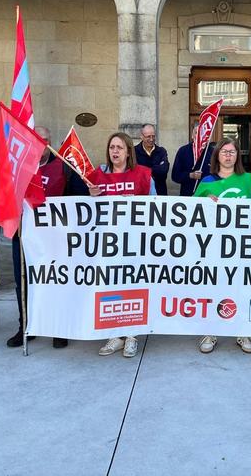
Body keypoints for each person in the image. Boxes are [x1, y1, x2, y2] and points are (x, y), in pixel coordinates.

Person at [7, 125, 88, 349]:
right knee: (24, 282)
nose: (40, 144)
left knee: (57, 281)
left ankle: (58, 328)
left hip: (55, 238)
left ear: (49, 141)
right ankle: (26, 325)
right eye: (35, 139)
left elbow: (78, 200)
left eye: (44, 139)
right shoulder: (18, 167)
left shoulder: (64, 167)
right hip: (23, 235)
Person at [87, 132, 155, 358]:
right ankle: (115, 335)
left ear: (128, 152)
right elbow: (86, 212)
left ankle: (133, 336)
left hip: (135, 243)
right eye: (111, 147)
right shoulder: (97, 176)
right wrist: (91, 195)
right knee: (111, 289)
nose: (114, 151)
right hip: (108, 244)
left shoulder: (143, 175)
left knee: (134, 287)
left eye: (119, 148)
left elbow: (156, 207)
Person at [194, 138, 251, 354]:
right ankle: (210, 330)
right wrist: (206, 198)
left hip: (242, 244)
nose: (228, 155)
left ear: (237, 156)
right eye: (224, 151)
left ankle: (242, 331)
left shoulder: (247, 179)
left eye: (232, 151)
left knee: (241, 288)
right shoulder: (206, 181)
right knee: (213, 287)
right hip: (213, 244)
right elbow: (191, 210)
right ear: (217, 156)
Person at [171, 123, 215, 196]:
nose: (199, 136)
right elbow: (175, 176)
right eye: (196, 133)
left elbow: (219, 175)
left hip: (208, 197)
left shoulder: (213, 153)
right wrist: (190, 175)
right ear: (192, 135)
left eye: (202, 134)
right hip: (187, 197)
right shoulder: (183, 151)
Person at [135, 124, 169, 195]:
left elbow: (164, 170)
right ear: (141, 136)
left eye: (153, 136)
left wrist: (144, 169)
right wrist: (157, 168)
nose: (151, 139)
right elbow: (135, 173)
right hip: (141, 194)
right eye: (148, 136)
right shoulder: (133, 151)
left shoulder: (162, 151)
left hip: (160, 194)